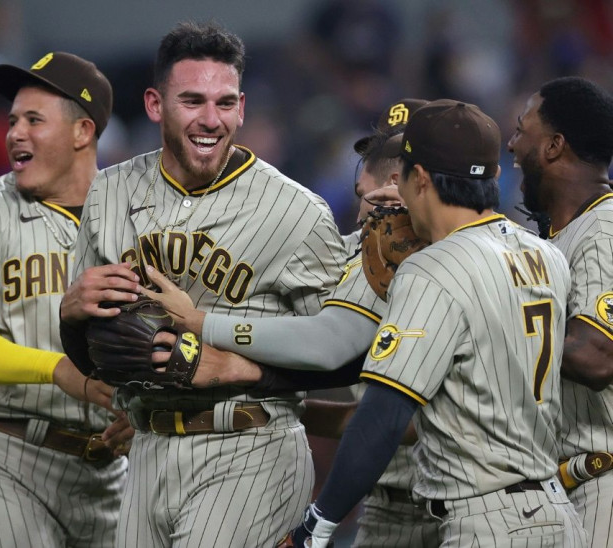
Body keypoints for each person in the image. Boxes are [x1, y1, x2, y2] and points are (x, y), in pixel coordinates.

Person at [58, 21, 348, 548]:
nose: (210, 119)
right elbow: (98, 351)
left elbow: (346, 355)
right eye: (192, 101)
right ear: (154, 105)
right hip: (146, 450)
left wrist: (240, 367)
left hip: (248, 444)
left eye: (225, 102)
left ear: (242, 108)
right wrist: (71, 318)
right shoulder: (109, 194)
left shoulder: (296, 214)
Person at [282, 99, 588, 547]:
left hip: (488, 521)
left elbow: (384, 415)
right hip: (556, 513)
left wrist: (318, 523)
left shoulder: (433, 269)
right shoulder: (546, 254)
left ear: (420, 178)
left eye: (403, 175)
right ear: (494, 176)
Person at [143, 100, 440, 548]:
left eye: (372, 195)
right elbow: (367, 402)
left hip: (451, 502)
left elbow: (337, 353)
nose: (365, 211)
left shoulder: (440, 265)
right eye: (364, 197)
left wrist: (209, 331)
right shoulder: (354, 254)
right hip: (386, 501)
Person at [0, 52, 133, 547]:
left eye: (34, 120)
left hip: (109, 474)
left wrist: (143, 411)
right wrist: (57, 370)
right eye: (12, 120)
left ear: (83, 132)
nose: (15, 132)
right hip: (0, 456)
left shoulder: (136, 222)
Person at [508, 76, 613, 547]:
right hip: (567, 486)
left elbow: (597, 356)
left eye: (520, 128)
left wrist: (492, 318)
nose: (512, 144)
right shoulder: (560, 238)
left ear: (553, 146)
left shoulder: (605, 229)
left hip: (602, 483)